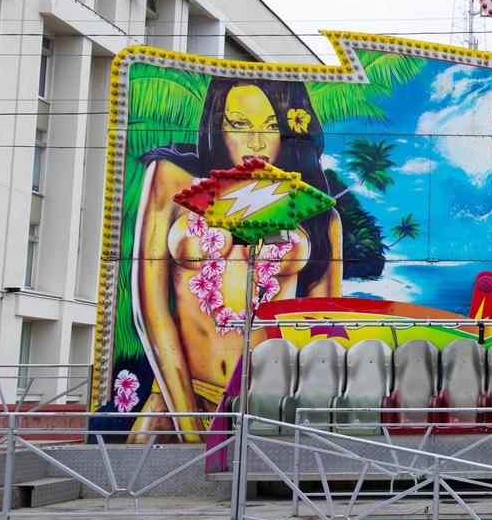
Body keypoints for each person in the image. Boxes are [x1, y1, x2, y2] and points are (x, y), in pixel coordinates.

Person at [129, 78, 343, 437]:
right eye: (240, 125)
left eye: (272, 127)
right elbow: (150, 308)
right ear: (216, 125)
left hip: (271, 406)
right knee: (140, 490)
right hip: (180, 402)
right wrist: (191, 428)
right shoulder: (173, 177)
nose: (256, 142)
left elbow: (323, 331)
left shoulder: (319, 213)